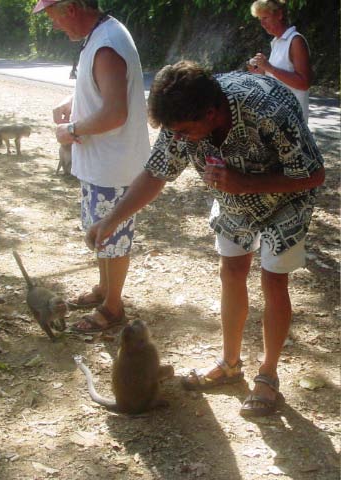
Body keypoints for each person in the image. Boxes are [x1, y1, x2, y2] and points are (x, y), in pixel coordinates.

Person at [86, 61, 325, 417]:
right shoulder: (180, 121)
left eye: (184, 131)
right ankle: (230, 365)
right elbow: (156, 173)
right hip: (232, 198)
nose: (179, 138)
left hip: (286, 201)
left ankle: (268, 375)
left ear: (211, 113)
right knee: (231, 272)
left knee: (274, 280)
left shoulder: (267, 108)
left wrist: (247, 184)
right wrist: (110, 220)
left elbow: (313, 173)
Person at [32, 0, 150, 332]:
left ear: (70, 8)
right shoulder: (100, 36)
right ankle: (104, 289)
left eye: (53, 17)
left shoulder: (107, 45)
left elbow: (115, 113)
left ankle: (113, 307)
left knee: (113, 238)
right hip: (103, 163)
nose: (54, 25)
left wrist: (71, 130)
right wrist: (73, 102)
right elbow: (103, 90)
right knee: (101, 234)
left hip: (113, 166)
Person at [248, 0, 312, 122]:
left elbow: (304, 83)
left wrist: (270, 68)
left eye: (265, 18)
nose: (262, 23)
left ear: (279, 15)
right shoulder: (277, 42)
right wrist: (261, 73)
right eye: (260, 19)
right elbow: (277, 79)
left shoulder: (295, 41)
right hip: (277, 118)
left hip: (293, 120)